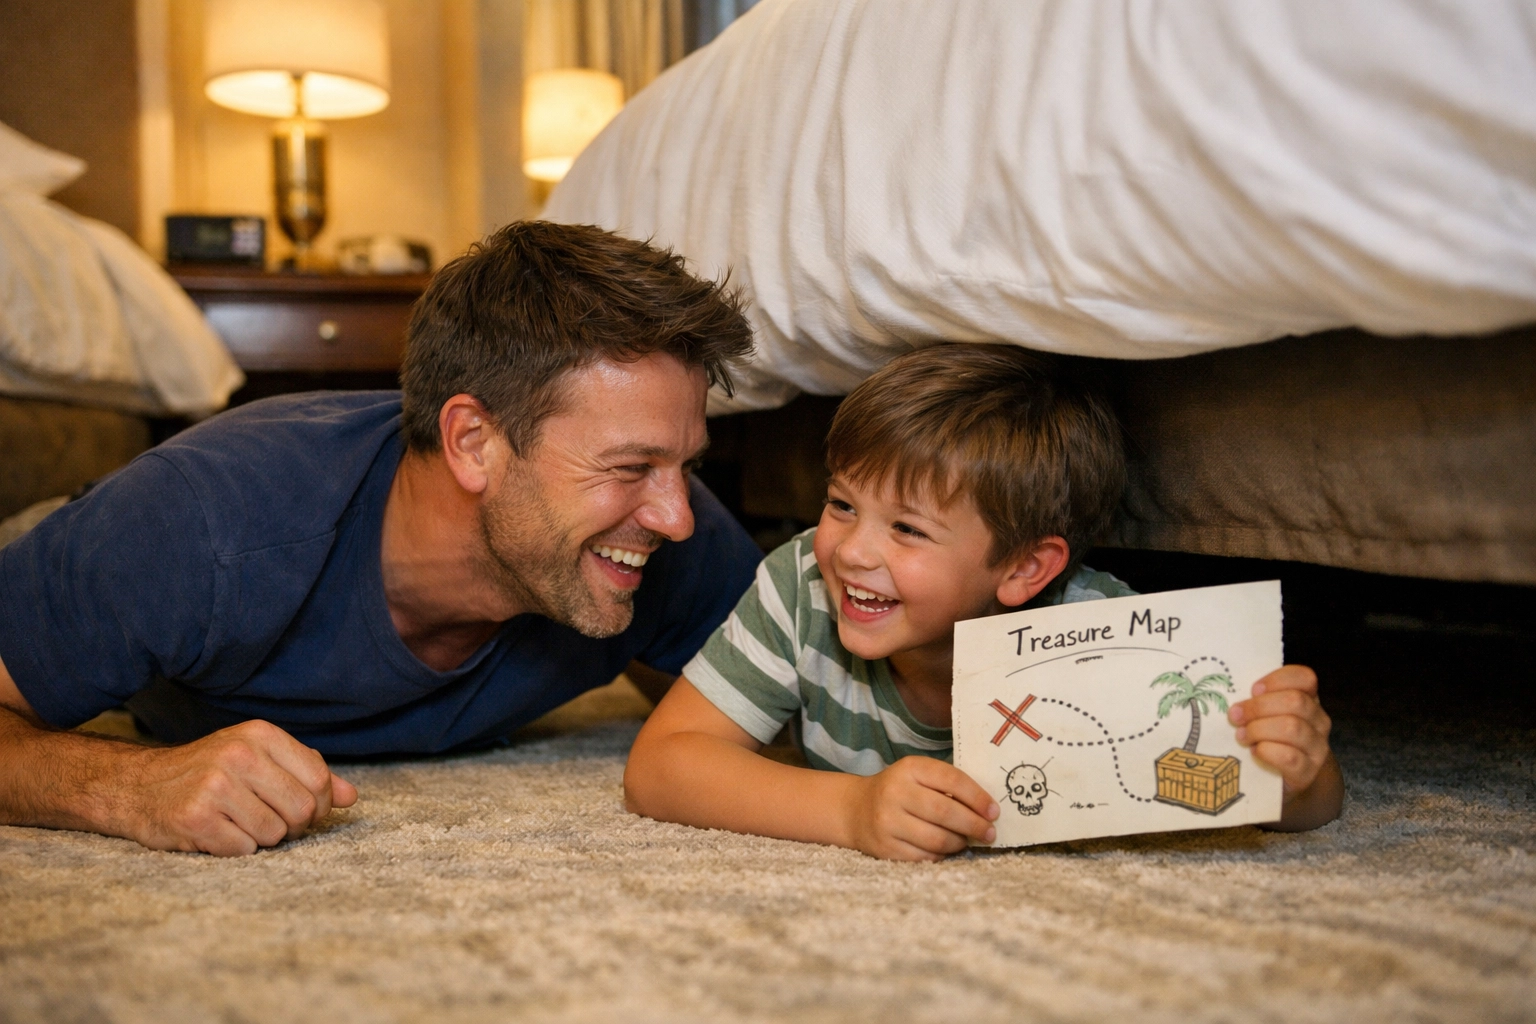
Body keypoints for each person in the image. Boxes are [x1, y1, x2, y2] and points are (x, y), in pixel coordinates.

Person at [0, 221, 762, 856]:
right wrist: (131, 788)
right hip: (76, 531)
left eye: (684, 467)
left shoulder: (662, 536)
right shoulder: (200, 522)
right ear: (472, 442)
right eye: (630, 467)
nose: (677, 517)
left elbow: (784, 701)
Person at [624, 344, 1344, 861]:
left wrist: (1299, 771)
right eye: (842, 503)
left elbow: (1303, 810)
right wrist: (850, 810)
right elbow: (659, 768)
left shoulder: (1102, 632)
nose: (850, 551)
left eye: (907, 528)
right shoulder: (802, 582)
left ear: (1028, 569)